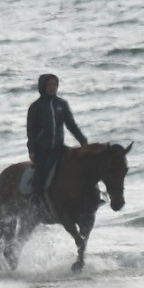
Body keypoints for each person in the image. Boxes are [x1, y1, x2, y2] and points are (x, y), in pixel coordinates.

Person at [25, 73, 87, 213]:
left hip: (59, 147)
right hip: (43, 148)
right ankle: (36, 199)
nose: (52, 87)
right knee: (41, 171)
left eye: (54, 85)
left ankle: (90, 196)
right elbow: (31, 130)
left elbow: (71, 125)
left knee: (80, 164)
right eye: (49, 85)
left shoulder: (62, 104)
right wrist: (32, 150)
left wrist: (83, 141)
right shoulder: (36, 107)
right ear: (42, 87)